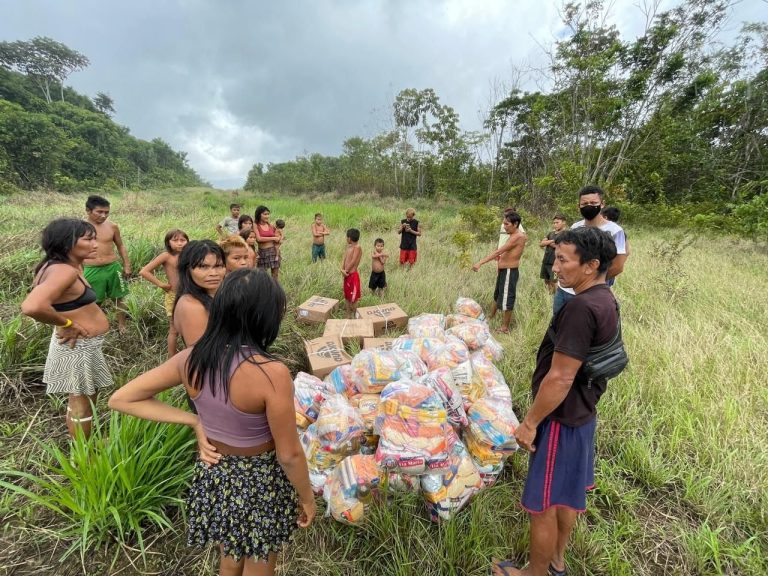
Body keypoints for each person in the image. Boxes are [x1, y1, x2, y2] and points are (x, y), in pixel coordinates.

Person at [109, 269, 316, 576]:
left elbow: (121, 398)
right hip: (260, 479)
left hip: (215, 472)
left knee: (230, 552)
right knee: (259, 559)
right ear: (265, 316)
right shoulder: (271, 373)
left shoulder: (191, 358)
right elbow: (289, 454)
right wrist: (307, 497)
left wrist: (194, 419)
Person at [491, 227, 618, 576]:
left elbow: (561, 377)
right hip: (582, 416)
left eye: (563, 260)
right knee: (564, 496)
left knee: (543, 504)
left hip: (560, 421)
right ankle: (556, 563)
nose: (555, 267)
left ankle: (534, 573)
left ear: (591, 265)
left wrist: (530, 423)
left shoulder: (581, 308)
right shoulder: (606, 298)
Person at [21, 219, 113, 439]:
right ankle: (84, 453)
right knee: (82, 404)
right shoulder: (64, 271)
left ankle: (83, 446)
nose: (95, 244)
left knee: (80, 399)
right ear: (66, 243)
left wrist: (62, 322)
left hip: (81, 346)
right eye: (88, 239)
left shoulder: (60, 266)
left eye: (95, 238)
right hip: (78, 347)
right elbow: (32, 306)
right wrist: (67, 324)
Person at [553, 186, 627, 316]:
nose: (589, 206)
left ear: (602, 204)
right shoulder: (576, 226)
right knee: (558, 322)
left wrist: (589, 283)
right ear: (579, 206)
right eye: (585, 203)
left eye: (593, 203)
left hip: (589, 293)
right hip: (565, 290)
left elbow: (617, 266)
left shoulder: (615, 231)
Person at [83, 195, 130, 333]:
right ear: (88, 210)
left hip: (113, 267)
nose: (103, 215)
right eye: (99, 212)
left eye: (106, 212)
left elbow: (120, 246)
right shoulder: (79, 227)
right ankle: (95, 328)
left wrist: (127, 265)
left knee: (119, 297)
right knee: (94, 300)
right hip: (91, 269)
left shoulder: (112, 226)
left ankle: (122, 326)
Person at [472, 212, 526, 334]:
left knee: (507, 298)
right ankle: (491, 317)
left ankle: (505, 328)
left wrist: (480, 263)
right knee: (497, 295)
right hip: (504, 270)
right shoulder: (513, 235)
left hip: (509, 271)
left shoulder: (518, 236)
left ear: (515, 224)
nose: (504, 227)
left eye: (507, 224)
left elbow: (498, 252)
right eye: (503, 224)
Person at [139, 229, 189, 358]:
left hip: (189, 296)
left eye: (183, 240)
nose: (179, 243)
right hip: (174, 296)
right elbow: (144, 271)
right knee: (174, 329)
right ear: (168, 242)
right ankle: (172, 358)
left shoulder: (190, 255)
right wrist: (161, 284)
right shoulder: (166, 256)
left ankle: (189, 353)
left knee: (189, 326)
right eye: (175, 240)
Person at [173, 240, 226, 348]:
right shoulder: (191, 305)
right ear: (187, 270)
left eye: (218, 266)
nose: (213, 273)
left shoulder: (221, 295)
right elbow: (200, 354)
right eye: (203, 266)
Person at [539, 215, 567, 294]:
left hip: (556, 262)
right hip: (546, 261)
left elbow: (560, 246)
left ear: (564, 222)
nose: (555, 224)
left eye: (557, 222)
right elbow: (541, 243)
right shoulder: (551, 233)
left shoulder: (566, 234)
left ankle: (555, 296)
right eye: (554, 223)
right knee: (546, 280)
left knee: (554, 281)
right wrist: (552, 241)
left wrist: (547, 242)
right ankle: (549, 295)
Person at [254, 205, 280, 281]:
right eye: (265, 214)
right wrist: (273, 238)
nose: (267, 216)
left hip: (273, 251)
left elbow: (278, 234)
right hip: (263, 252)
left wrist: (279, 238)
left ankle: (275, 287)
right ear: (259, 214)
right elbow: (259, 239)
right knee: (262, 275)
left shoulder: (270, 225)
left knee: (275, 274)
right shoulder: (255, 225)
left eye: (268, 214)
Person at [341, 228, 362, 318]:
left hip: (353, 276)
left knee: (353, 298)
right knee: (346, 295)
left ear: (349, 238)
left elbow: (353, 261)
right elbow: (344, 258)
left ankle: (355, 314)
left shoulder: (357, 247)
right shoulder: (348, 247)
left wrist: (346, 270)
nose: (346, 239)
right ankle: (348, 313)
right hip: (346, 276)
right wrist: (342, 269)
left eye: (347, 237)